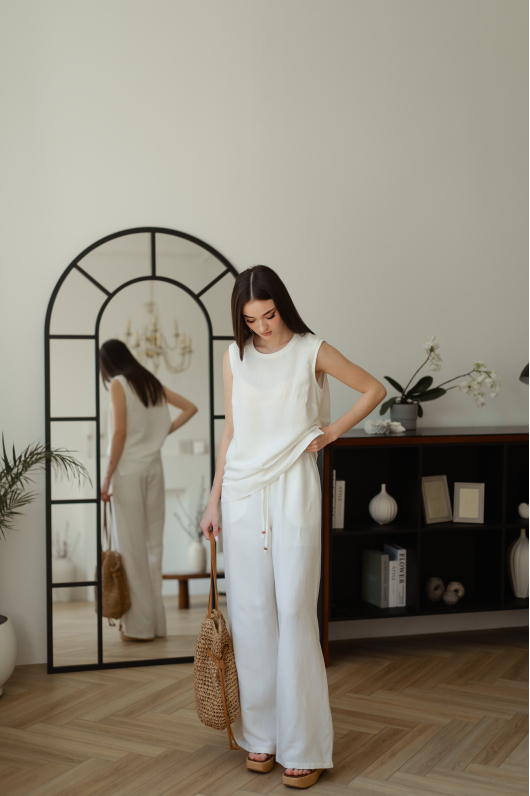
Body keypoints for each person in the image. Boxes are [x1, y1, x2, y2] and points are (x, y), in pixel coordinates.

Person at [199, 265, 387, 789]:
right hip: (240, 494)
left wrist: (330, 433)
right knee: (251, 614)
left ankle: (304, 745)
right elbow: (231, 430)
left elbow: (372, 389)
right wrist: (213, 500)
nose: (261, 326)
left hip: (293, 488)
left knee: (294, 611)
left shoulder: (311, 350)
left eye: (269, 314)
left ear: (282, 304)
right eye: (250, 319)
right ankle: (261, 736)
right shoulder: (234, 357)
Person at [100, 339, 198, 642]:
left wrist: (107, 477)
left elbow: (119, 433)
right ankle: (157, 625)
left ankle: (138, 628)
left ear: (107, 363)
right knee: (154, 547)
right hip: (155, 469)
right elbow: (190, 408)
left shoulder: (118, 383)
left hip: (128, 472)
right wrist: (160, 434)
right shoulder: (151, 382)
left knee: (131, 548)